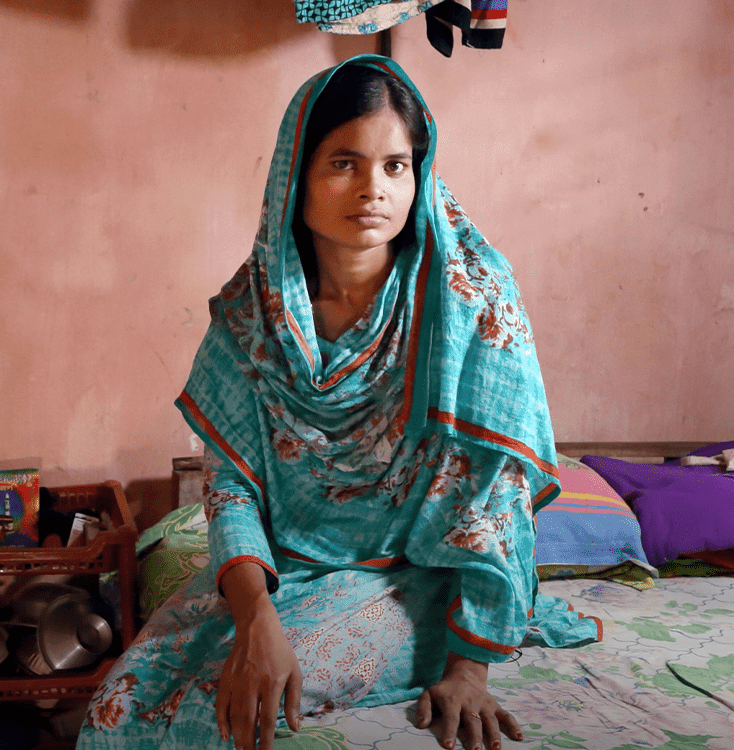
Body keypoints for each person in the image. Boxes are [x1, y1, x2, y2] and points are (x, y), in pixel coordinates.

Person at [78, 56, 601, 750]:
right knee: (118, 704)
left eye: (396, 166)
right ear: (296, 174)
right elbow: (232, 487)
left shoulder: (470, 304)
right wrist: (256, 614)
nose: (373, 189)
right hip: (283, 569)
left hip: (418, 574)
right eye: (344, 163)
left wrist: (468, 670)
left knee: (218, 713)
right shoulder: (250, 315)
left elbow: (492, 497)